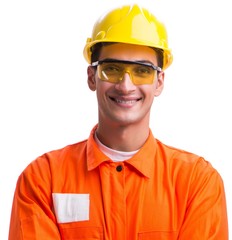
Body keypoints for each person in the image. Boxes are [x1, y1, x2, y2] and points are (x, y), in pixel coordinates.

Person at [9, 4, 228, 240]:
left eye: (142, 71)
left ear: (159, 81)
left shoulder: (196, 182)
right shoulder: (43, 179)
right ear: (92, 77)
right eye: (111, 69)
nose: (125, 85)